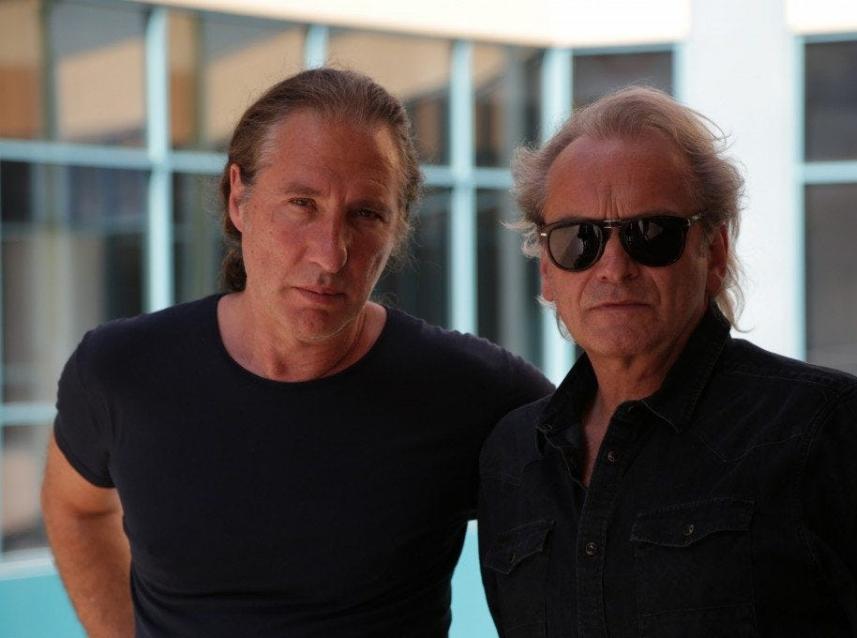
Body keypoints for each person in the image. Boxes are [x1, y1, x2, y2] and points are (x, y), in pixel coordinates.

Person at [42, 68, 552, 637]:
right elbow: (76, 507)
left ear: (397, 225)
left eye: (366, 214)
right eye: (302, 203)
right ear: (239, 197)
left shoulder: (472, 389)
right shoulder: (122, 370)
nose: (331, 254)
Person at [478, 86, 857, 637]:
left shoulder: (834, 430)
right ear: (546, 270)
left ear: (716, 252)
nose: (613, 266)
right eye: (577, 239)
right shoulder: (513, 459)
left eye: (650, 233)